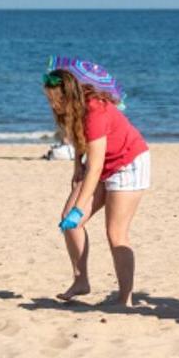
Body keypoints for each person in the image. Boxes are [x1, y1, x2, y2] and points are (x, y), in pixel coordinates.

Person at [43, 69, 150, 306]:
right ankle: (81, 281)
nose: (52, 104)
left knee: (115, 232)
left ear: (68, 94)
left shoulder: (95, 111)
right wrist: (76, 167)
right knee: (69, 222)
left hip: (128, 163)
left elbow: (96, 165)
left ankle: (125, 298)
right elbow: (81, 141)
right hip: (100, 164)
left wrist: (79, 207)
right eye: (48, 99)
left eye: (55, 99)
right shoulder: (73, 109)